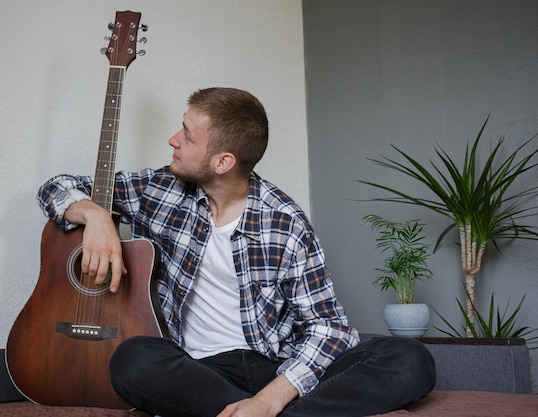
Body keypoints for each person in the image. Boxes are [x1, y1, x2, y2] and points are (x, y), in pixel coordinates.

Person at [37, 87, 435, 417]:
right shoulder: (160, 190)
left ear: (223, 162)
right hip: (197, 369)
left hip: (275, 365)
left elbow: (329, 328)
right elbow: (56, 187)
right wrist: (96, 216)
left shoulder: (285, 222)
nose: (174, 140)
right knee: (132, 360)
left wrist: (269, 399)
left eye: (188, 136)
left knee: (410, 361)